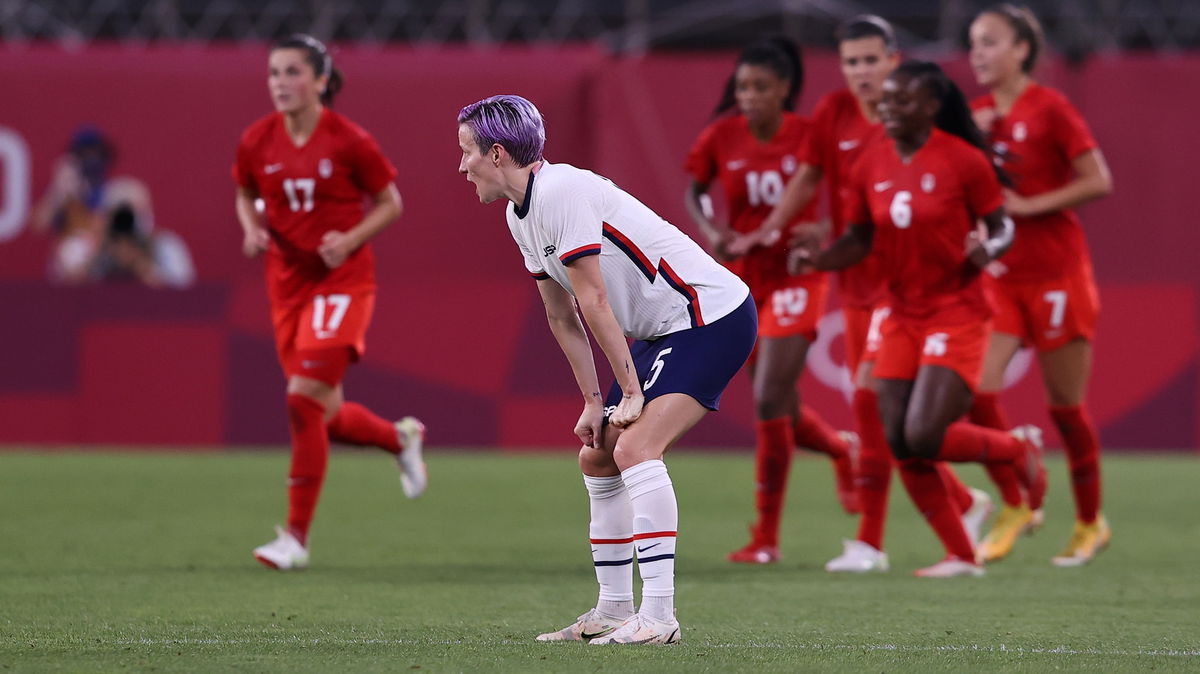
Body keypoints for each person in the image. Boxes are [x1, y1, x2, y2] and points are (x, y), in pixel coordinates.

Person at [457, 95, 755, 643]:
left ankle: (660, 618)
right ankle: (615, 611)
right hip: (663, 329)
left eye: (467, 152)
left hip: (709, 315)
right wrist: (596, 402)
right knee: (597, 456)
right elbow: (559, 312)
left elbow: (592, 299)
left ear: (497, 154)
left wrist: (631, 392)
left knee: (635, 449)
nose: (462, 165)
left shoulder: (562, 189)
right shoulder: (518, 214)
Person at [747, 16, 992, 573]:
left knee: (871, 406)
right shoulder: (833, 113)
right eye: (851, 61)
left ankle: (871, 542)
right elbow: (813, 182)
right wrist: (781, 227)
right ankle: (963, 501)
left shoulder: (911, 115)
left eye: (869, 60)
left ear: (893, 58)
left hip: (901, 288)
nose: (860, 72)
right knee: (884, 414)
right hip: (857, 282)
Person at [790, 61, 1047, 577]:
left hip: (957, 311)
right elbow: (860, 238)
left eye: (902, 100)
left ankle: (1015, 450)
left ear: (932, 106)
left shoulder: (964, 161)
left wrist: (985, 250)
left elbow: (1003, 227)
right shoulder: (870, 163)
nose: (889, 108)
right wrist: (818, 258)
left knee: (924, 434)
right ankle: (961, 554)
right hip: (903, 310)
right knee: (898, 438)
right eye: (886, 100)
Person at [232, 34, 426, 571]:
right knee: (326, 414)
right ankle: (400, 437)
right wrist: (251, 227)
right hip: (287, 286)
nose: (280, 83)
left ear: (320, 80)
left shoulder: (348, 141)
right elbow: (245, 192)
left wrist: (350, 238)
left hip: (342, 283)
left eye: (293, 72)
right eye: (274, 73)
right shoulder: (256, 140)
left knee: (301, 401)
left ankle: (294, 537)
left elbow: (391, 203)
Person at [683, 37, 859, 565]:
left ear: (785, 89)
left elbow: (848, 199)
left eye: (761, 87)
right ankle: (840, 448)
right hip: (743, 281)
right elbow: (695, 187)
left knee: (767, 400)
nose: (750, 97)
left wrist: (822, 230)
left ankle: (766, 538)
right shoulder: (722, 136)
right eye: (742, 87)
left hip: (798, 276)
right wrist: (711, 228)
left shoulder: (810, 136)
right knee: (776, 400)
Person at [967, 4, 1114, 566]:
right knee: (977, 391)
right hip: (1003, 277)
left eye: (989, 42)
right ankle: (1017, 498)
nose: (977, 52)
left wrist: (1029, 205)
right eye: (974, 43)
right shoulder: (976, 114)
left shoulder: (1051, 108)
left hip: (1058, 276)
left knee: (1066, 409)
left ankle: (1088, 520)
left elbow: (1099, 180)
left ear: (1021, 49)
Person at [32, 127, 157, 283]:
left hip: (114, 255)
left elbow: (140, 229)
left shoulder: (116, 191)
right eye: (85, 153)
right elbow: (39, 225)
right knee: (73, 249)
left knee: (167, 249)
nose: (92, 159)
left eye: (96, 152)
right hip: (82, 264)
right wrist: (58, 190)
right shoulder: (66, 195)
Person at [89, 204, 195, 288]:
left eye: (130, 241)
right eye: (118, 240)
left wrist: (147, 270)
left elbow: (184, 287)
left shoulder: (165, 245)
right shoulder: (104, 250)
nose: (124, 248)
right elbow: (82, 287)